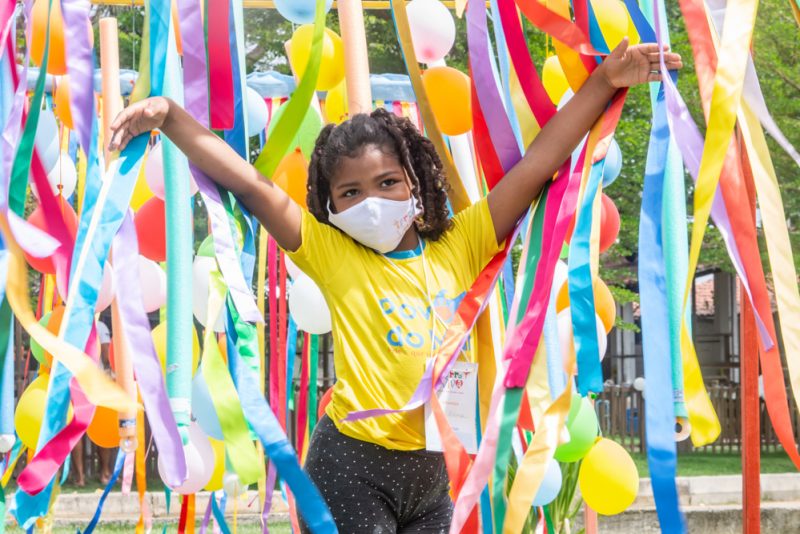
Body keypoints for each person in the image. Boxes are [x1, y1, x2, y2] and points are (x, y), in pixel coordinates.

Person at [109, 40, 681, 532]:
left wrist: (606, 79)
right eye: (350, 193)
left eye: (387, 183)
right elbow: (253, 186)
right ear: (329, 207)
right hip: (351, 467)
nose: (371, 202)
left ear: (416, 185)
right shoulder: (333, 253)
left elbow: (537, 165)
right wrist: (169, 117)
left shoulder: (462, 243)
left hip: (432, 471)